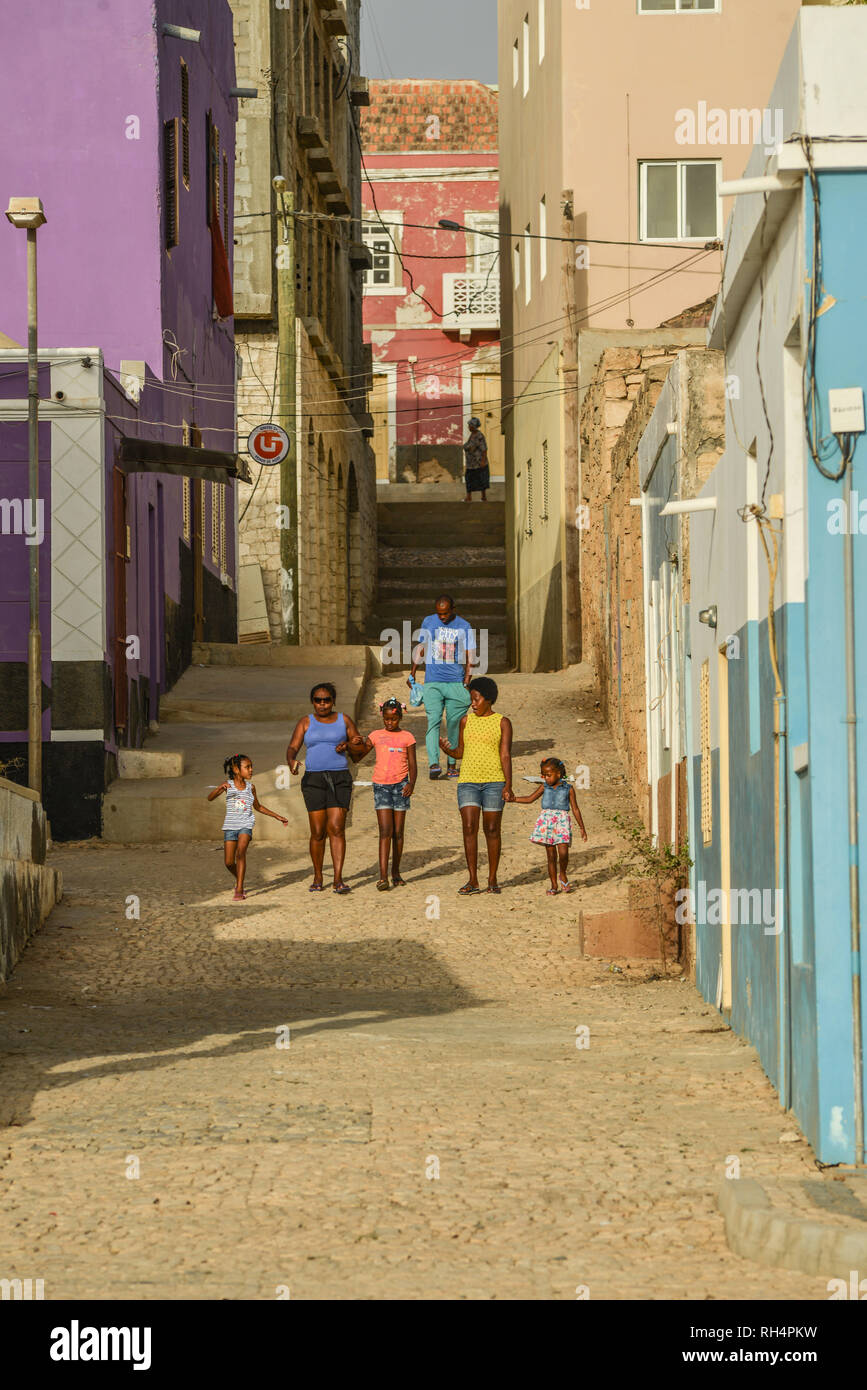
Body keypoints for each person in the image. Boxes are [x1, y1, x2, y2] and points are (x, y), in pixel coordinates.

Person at [286, 683, 365, 894]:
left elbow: (360, 749)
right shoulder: (305, 722)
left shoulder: (344, 720)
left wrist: (349, 745)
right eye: (318, 700)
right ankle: (318, 876)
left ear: (333, 701)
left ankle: (338, 878)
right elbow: (293, 746)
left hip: (339, 778)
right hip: (313, 780)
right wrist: (291, 760)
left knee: (337, 828)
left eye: (327, 700)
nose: (323, 704)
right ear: (312, 702)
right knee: (318, 832)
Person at [440, 676, 513, 895]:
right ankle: (472, 879)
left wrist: (508, 785)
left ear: (488, 699)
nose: (473, 703)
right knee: (469, 828)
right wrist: (448, 751)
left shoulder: (503, 722)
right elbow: (461, 752)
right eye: (471, 699)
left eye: (476, 699)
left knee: (492, 830)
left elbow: (506, 755)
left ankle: (492, 879)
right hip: (468, 782)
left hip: (494, 782)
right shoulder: (465, 721)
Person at [351, 697, 417, 891]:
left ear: (400, 718)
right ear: (383, 717)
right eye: (387, 719)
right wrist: (354, 744)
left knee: (398, 832)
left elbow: (412, 764)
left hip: (401, 786)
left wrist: (411, 783)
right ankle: (382, 876)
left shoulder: (408, 737)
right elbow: (358, 757)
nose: (390, 723)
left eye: (393, 720)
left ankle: (395, 872)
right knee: (385, 831)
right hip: (381, 786)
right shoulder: (375, 735)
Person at [408, 594, 474, 781]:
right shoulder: (429, 621)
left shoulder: (463, 626)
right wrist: (413, 671)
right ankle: (433, 764)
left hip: (455, 681)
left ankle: (452, 766)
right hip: (432, 681)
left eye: (445, 614)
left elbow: (471, 656)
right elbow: (421, 648)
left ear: (453, 609)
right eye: (439, 613)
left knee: (454, 724)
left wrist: (467, 681)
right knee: (434, 721)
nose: (442, 617)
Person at [207, 753, 288, 901]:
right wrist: (219, 788)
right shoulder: (228, 785)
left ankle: (239, 889)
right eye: (247, 767)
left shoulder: (251, 788)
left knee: (241, 853)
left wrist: (277, 816)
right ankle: (240, 878)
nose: (251, 770)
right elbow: (210, 798)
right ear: (236, 769)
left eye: (251, 767)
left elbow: (258, 807)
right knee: (229, 862)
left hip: (246, 825)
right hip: (230, 827)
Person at [512, 757, 588, 895]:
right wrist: (514, 799)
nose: (545, 778)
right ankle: (554, 885)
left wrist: (582, 827)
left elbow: (575, 809)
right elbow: (530, 798)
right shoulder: (544, 787)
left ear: (558, 774)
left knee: (563, 853)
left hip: (562, 822)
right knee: (551, 855)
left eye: (548, 775)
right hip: (546, 823)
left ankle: (563, 874)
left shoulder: (568, 789)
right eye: (543, 775)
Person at [462, 416, 490, 502]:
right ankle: (469, 497)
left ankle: (483, 497)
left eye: (470, 425)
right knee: (469, 479)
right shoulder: (472, 435)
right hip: (471, 464)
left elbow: (484, 449)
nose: (469, 427)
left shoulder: (479, 436)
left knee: (481, 479)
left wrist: (483, 461)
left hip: (478, 463)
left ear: (474, 426)